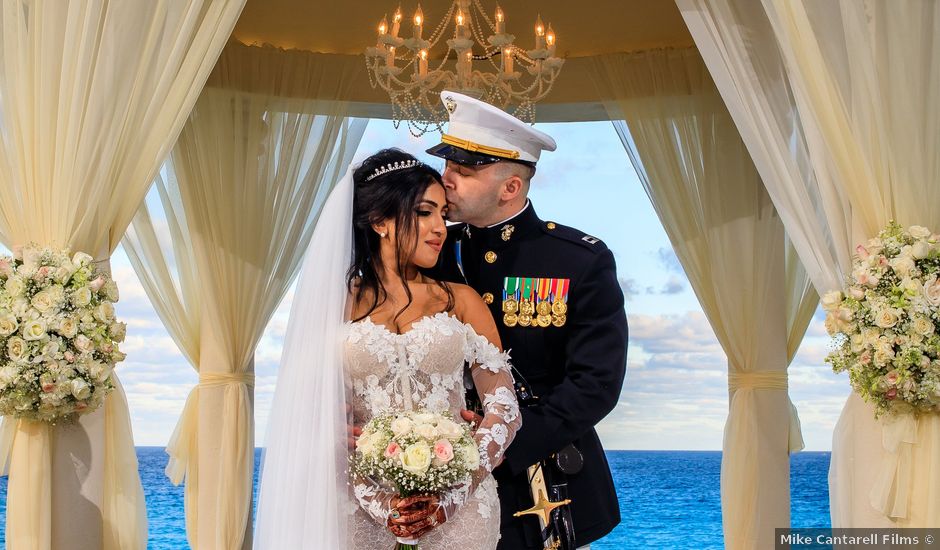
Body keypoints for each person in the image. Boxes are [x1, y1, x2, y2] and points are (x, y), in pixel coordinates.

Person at [254, 149, 521, 549]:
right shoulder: (332, 303)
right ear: (380, 221)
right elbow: (314, 418)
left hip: (459, 514)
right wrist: (380, 504)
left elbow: (505, 407)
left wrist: (451, 497)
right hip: (359, 509)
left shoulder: (461, 300)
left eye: (443, 214)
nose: (439, 228)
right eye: (425, 212)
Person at [425, 91, 629, 549]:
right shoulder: (429, 252)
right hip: (433, 469)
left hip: (540, 476)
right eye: (448, 166)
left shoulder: (578, 261)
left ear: (510, 187)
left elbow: (595, 384)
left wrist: (498, 448)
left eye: (464, 169)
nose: (447, 179)